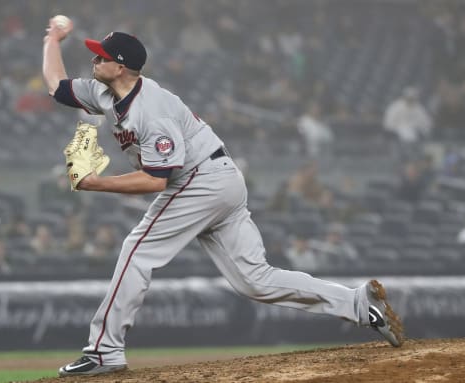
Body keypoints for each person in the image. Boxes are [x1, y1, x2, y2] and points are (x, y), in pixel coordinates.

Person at [42, 17, 404, 377]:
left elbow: (156, 180)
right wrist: (53, 40)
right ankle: (358, 305)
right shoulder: (105, 92)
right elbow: (57, 87)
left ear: (121, 67)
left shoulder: (151, 110)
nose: (94, 61)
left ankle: (105, 350)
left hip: (203, 180)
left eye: (101, 57)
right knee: (255, 280)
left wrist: (96, 183)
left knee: (137, 251)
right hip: (218, 179)